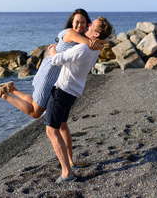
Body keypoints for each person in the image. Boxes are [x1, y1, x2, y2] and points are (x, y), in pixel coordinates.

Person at [0, 9, 103, 119]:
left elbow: (97, 41)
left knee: (36, 101)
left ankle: (11, 89)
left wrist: (100, 42)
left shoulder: (81, 35)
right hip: (49, 71)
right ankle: (4, 94)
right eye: (77, 22)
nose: (79, 25)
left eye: (83, 22)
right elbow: (90, 44)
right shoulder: (71, 33)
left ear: (87, 23)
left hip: (55, 72)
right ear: (72, 22)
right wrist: (101, 44)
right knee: (35, 112)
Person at [45, 16, 113, 183]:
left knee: (51, 130)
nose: (88, 24)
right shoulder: (96, 47)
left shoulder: (84, 48)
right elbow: (105, 41)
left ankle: (67, 173)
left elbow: (56, 60)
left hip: (62, 90)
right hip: (73, 92)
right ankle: (70, 162)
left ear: (95, 33)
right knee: (62, 125)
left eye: (91, 24)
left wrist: (51, 49)